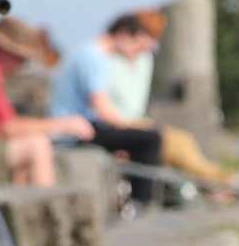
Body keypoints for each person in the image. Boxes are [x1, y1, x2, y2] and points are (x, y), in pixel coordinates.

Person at [107, 9, 239, 197]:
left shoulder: (143, 61)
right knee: (181, 146)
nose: (149, 43)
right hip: (122, 126)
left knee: (183, 146)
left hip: (136, 124)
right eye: (146, 36)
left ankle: (227, 184)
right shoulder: (107, 62)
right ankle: (232, 182)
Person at [0, 18, 93, 187]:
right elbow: (4, 130)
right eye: (22, 60)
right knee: (35, 146)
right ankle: (44, 210)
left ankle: (23, 211)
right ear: (6, 50)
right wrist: (64, 125)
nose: (20, 67)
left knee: (27, 150)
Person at [49, 15, 163, 205]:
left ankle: (138, 199)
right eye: (136, 45)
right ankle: (140, 203)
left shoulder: (90, 53)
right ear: (123, 35)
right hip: (73, 131)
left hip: (82, 126)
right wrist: (132, 127)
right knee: (151, 139)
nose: (136, 53)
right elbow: (102, 107)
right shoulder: (93, 56)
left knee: (141, 137)